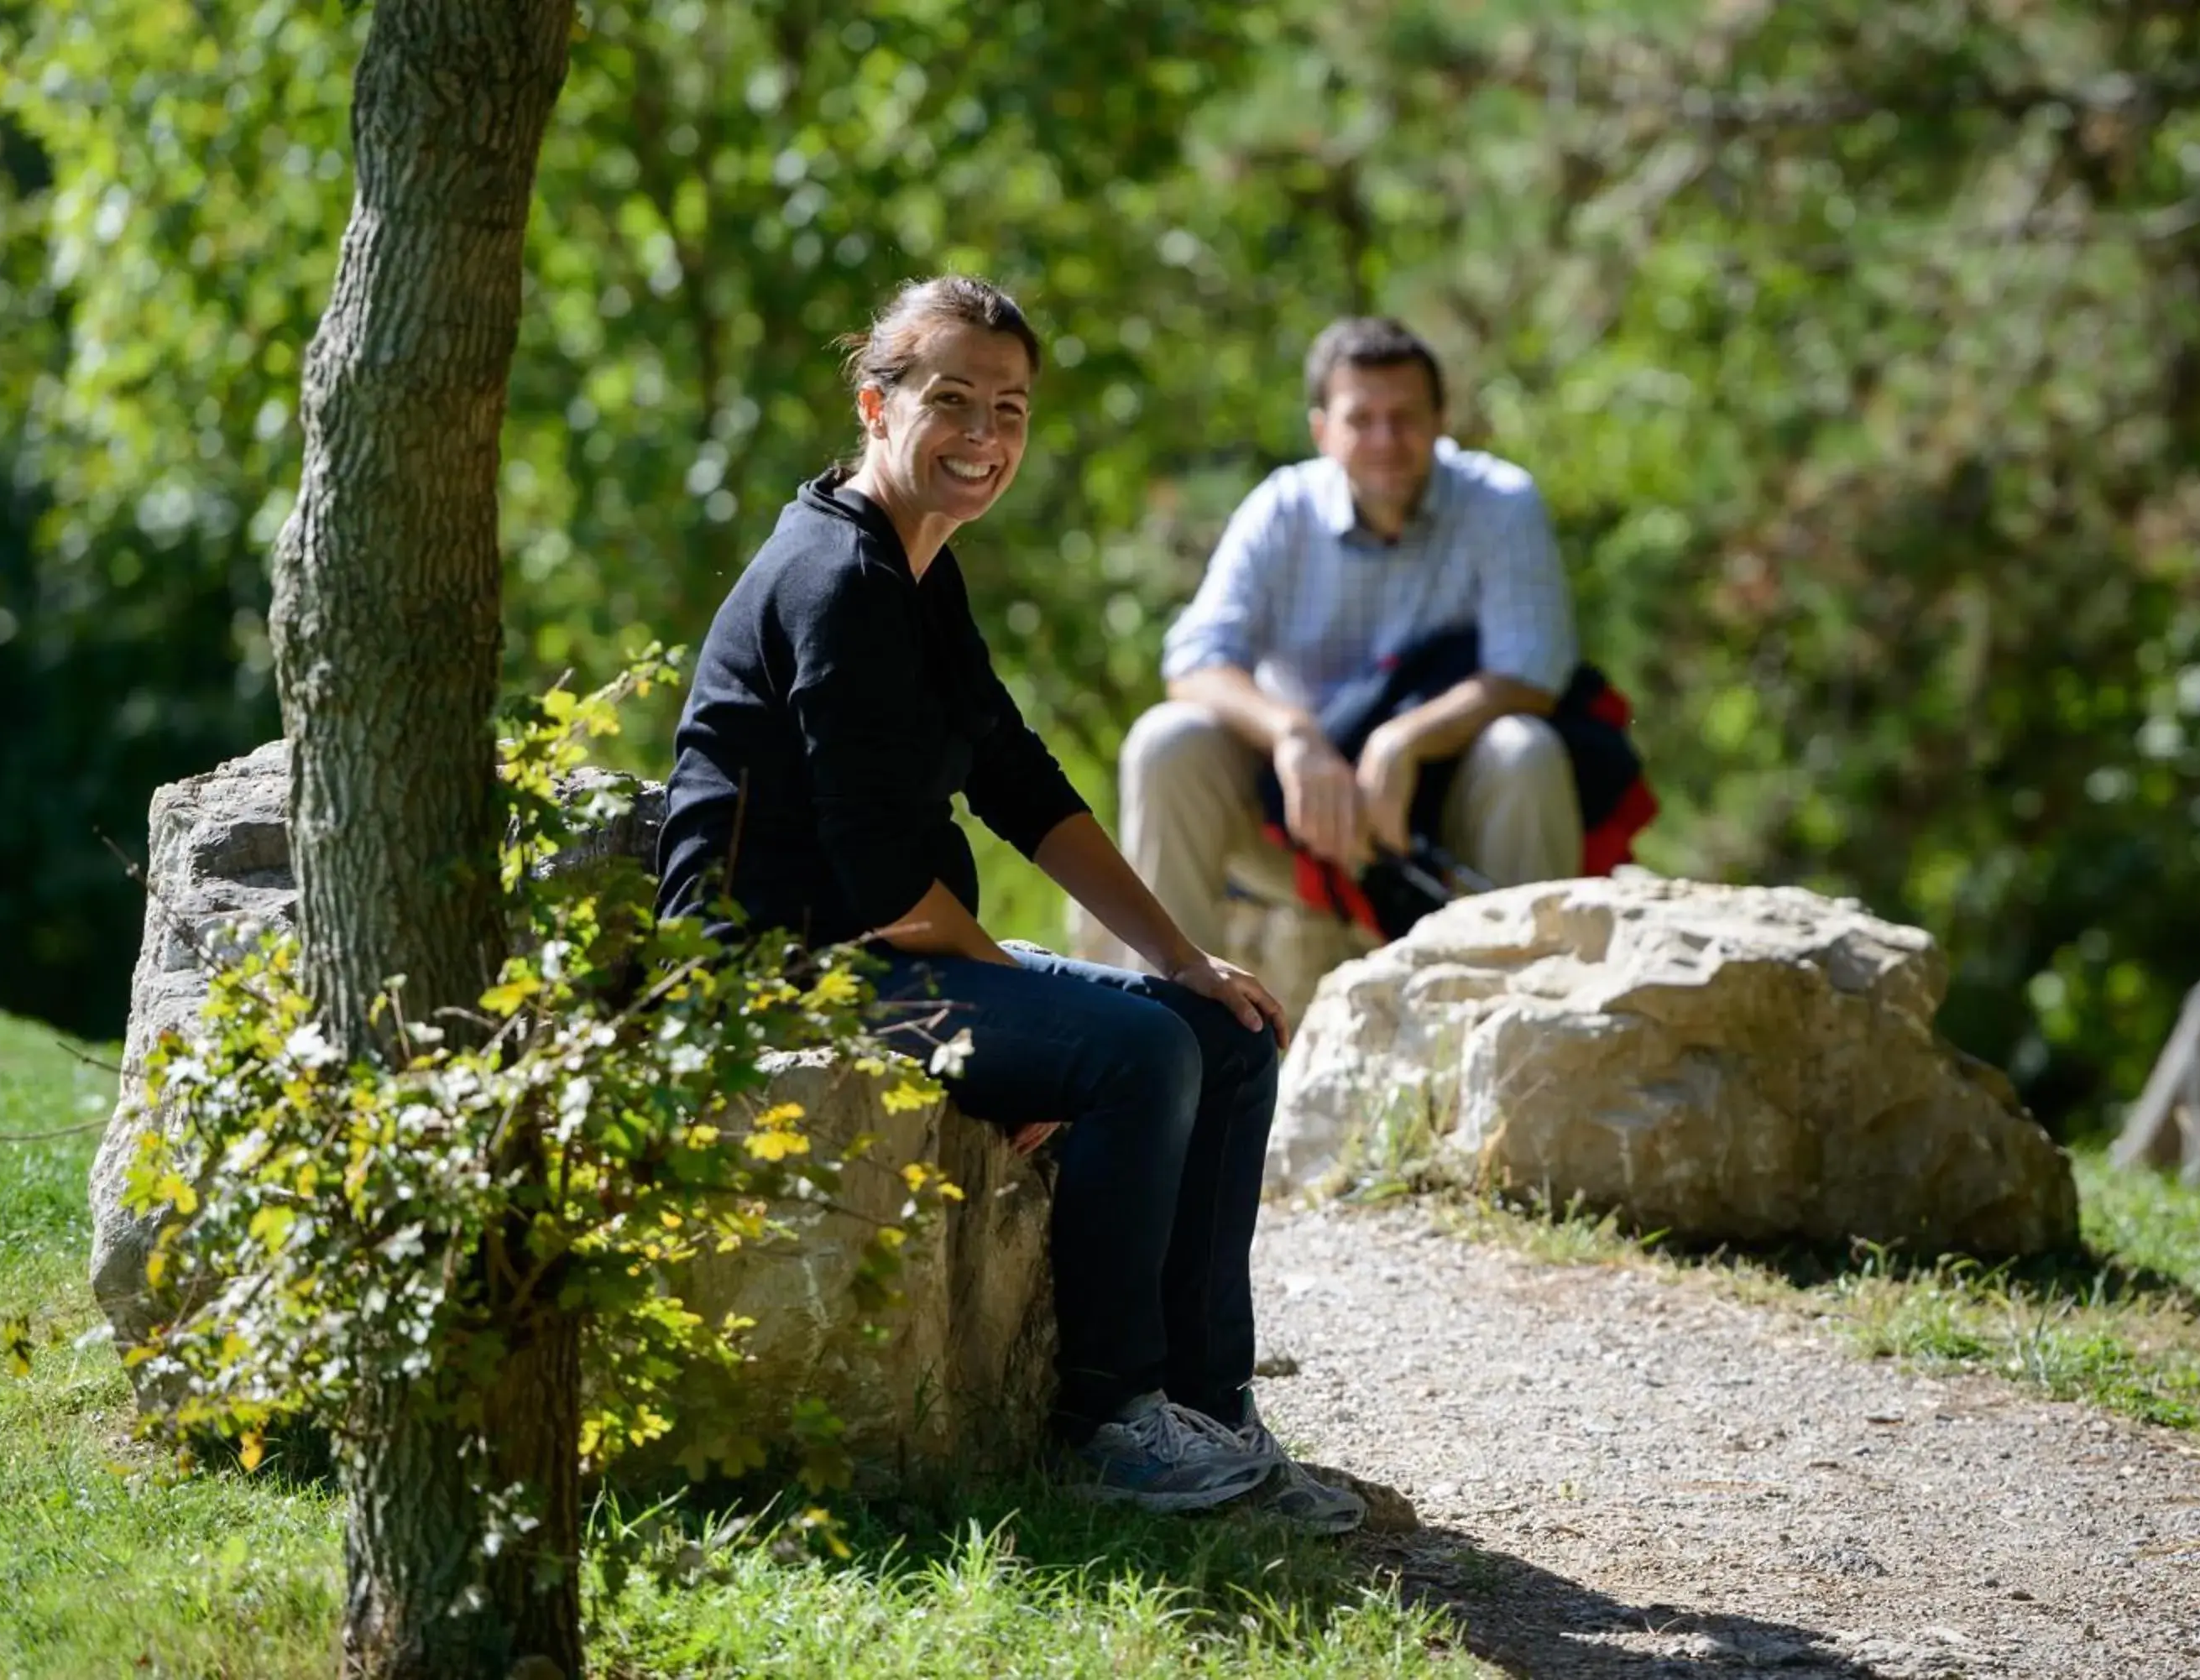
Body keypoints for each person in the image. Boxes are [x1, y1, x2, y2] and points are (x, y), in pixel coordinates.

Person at [652, 276, 1365, 1532]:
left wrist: (1185, 954)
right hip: (778, 973)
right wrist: (1031, 1003)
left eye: (1012, 408)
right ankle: (1112, 1424)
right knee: (1135, 1050)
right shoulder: (836, 580)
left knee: (1225, 1028)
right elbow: (877, 882)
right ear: (877, 404)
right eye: (952, 400)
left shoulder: (919, 569)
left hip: (882, 947)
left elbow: (1017, 778)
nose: (985, 434)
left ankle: (1209, 1408)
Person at [1112, 316, 1585, 966]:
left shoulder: (1500, 503)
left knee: (1524, 748)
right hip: (1296, 820)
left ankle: (1539, 998)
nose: (1386, 439)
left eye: (1406, 416)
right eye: (1361, 419)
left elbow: (1532, 675)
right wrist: (1292, 735)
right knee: (1167, 741)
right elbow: (1194, 661)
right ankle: (1173, 1019)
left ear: (1442, 418)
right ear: (1322, 431)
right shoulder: (1281, 508)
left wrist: (1404, 740)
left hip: (1448, 813)